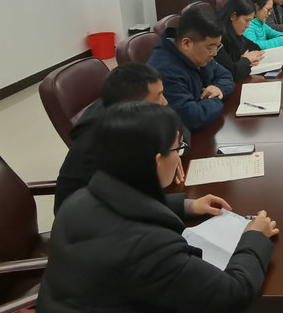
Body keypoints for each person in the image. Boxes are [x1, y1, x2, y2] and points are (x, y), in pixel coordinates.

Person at [28, 101, 279, 313]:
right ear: (158, 161)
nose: (180, 155)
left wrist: (186, 205)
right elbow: (232, 294)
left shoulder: (79, 201)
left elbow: (125, 202)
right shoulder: (146, 246)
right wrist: (253, 238)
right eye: (178, 148)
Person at [53, 62, 188, 215]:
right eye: (158, 96)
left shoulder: (125, 111)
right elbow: (132, 200)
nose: (165, 101)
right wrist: (170, 151)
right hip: (89, 219)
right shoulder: (110, 139)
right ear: (134, 103)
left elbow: (180, 128)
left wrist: (173, 151)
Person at [147, 6, 235, 131]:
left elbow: (226, 75)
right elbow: (192, 117)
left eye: (217, 46)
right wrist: (215, 99)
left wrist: (219, 89)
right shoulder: (165, 71)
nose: (215, 53)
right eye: (211, 47)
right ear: (187, 43)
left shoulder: (199, 54)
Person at [214, 0, 265, 80]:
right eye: (246, 20)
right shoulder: (217, 36)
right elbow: (231, 73)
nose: (248, 26)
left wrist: (247, 60)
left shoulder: (234, 32)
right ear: (233, 16)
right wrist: (246, 60)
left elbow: (255, 47)